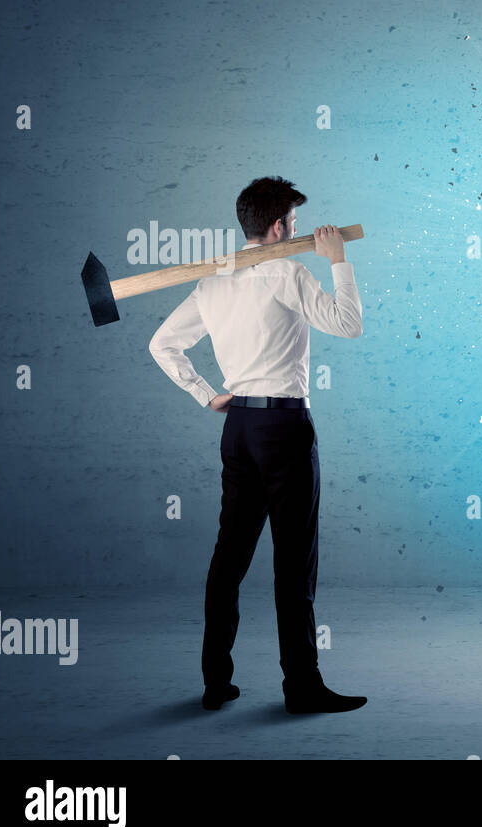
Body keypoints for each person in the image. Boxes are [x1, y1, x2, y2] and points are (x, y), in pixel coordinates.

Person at [148, 176, 367, 714]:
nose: (294, 231)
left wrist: (206, 395)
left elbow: (161, 344)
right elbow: (349, 324)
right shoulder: (289, 271)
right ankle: (302, 688)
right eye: (292, 223)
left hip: (238, 427)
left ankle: (215, 683)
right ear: (278, 228)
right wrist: (337, 260)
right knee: (294, 562)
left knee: (229, 555)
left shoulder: (214, 282)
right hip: (285, 428)